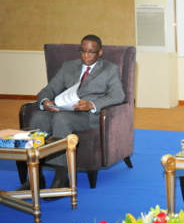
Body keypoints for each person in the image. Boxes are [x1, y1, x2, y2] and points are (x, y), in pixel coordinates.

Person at [17, 34, 125, 190]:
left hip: (88, 115)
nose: (86, 55)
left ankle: (61, 177)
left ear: (100, 52)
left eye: (91, 52)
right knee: (38, 117)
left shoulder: (110, 69)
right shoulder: (68, 66)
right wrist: (45, 102)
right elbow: (48, 89)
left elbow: (118, 95)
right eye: (83, 51)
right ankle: (37, 176)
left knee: (61, 119)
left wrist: (91, 104)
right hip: (65, 109)